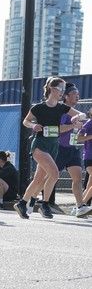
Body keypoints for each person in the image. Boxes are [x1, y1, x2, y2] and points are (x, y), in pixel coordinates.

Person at [13, 77, 84, 220]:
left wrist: (75, 120)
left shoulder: (62, 108)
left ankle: (22, 203)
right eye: (61, 89)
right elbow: (26, 121)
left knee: (38, 179)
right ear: (52, 89)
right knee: (55, 174)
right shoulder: (38, 108)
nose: (62, 93)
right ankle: (44, 204)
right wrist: (33, 125)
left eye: (64, 90)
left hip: (53, 146)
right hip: (40, 145)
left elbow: (80, 114)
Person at [55, 83, 86, 214]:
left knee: (78, 178)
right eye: (74, 93)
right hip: (60, 148)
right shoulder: (64, 110)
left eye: (78, 93)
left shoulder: (77, 113)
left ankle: (80, 206)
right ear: (66, 96)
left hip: (72, 149)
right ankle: (31, 200)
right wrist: (72, 124)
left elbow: (74, 131)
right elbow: (59, 129)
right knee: (49, 177)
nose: (77, 96)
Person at [70, 111, 92, 217]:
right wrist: (90, 137)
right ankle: (80, 206)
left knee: (90, 186)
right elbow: (77, 138)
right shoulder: (89, 123)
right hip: (90, 156)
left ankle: (79, 207)